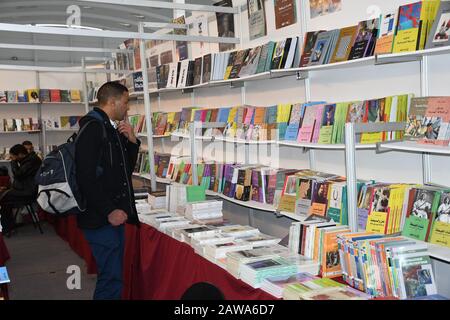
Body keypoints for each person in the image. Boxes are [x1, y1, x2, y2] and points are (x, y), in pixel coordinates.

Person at [75, 82, 140, 300]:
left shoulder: (110, 128)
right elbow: (85, 177)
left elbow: (123, 172)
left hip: (112, 217)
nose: (127, 107)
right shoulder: (93, 129)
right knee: (110, 278)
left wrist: (132, 142)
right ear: (112, 102)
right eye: (125, 102)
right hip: (101, 219)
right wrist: (108, 210)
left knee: (113, 276)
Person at [0, 144, 42, 235]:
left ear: (20, 154)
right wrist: (8, 188)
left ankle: (7, 228)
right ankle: (9, 226)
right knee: (4, 197)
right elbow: (23, 179)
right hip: (25, 189)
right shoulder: (28, 160)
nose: (12, 158)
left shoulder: (32, 161)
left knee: (3, 198)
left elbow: (18, 175)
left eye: (13, 156)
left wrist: (13, 162)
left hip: (29, 192)